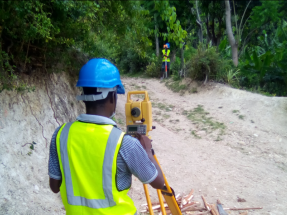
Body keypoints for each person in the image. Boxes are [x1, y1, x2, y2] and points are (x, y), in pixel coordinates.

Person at [48, 58, 164, 215]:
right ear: (112, 97)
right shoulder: (124, 143)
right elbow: (158, 182)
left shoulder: (61, 134)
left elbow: (54, 187)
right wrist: (148, 151)